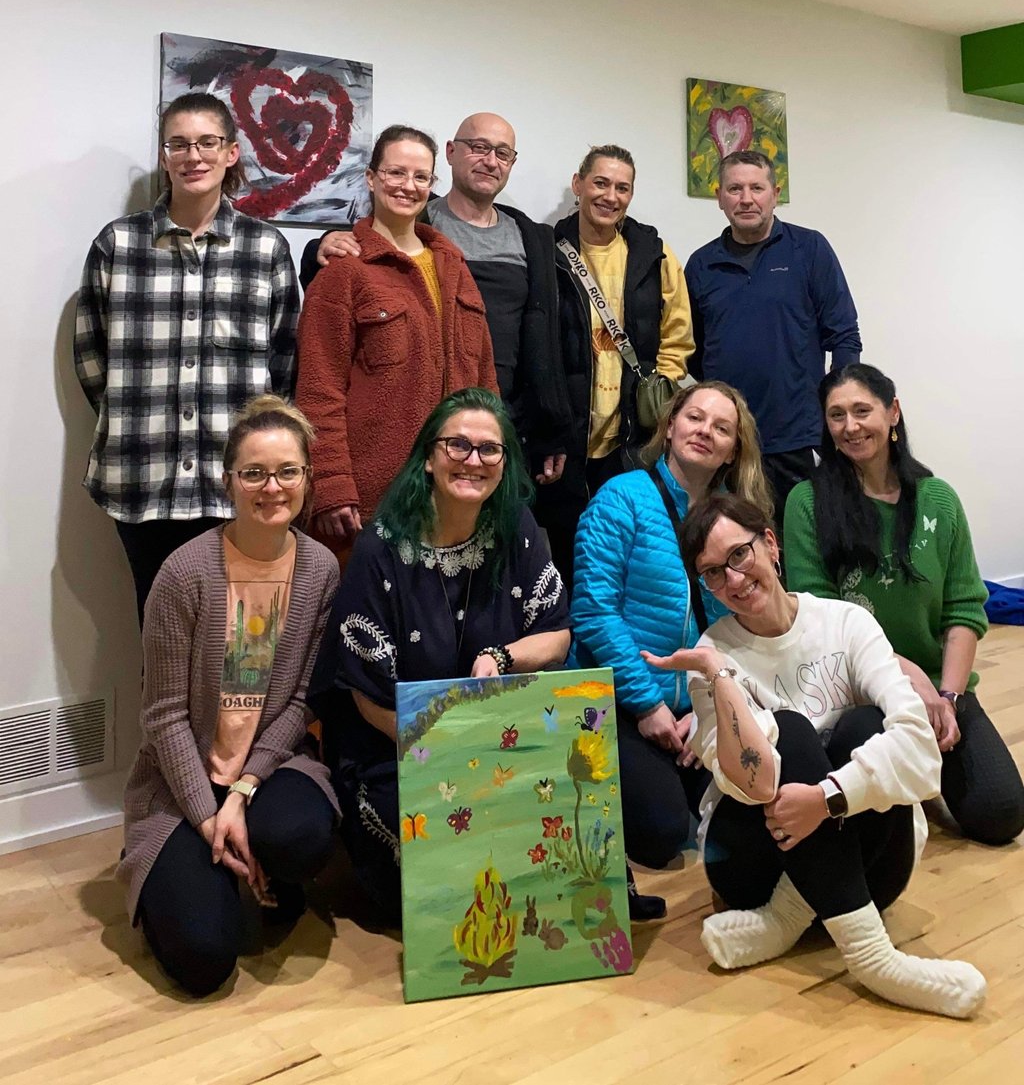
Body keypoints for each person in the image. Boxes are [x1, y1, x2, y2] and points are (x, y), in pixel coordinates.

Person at [643, 492, 987, 1018]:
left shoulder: (845, 622)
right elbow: (755, 784)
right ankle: (872, 957)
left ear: (771, 544)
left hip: (876, 865)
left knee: (866, 725)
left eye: (739, 555)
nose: (733, 579)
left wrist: (827, 799)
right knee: (791, 733)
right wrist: (720, 675)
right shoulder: (711, 654)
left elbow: (919, 747)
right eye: (712, 573)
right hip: (752, 868)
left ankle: (787, 919)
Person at [307, 388, 570, 925]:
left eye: (489, 449)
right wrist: (453, 754)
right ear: (429, 457)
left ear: (504, 463)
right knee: (430, 890)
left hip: (497, 738)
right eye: (458, 445)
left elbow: (557, 635)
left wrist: (501, 656)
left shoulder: (518, 528)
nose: (473, 460)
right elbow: (367, 698)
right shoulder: (380, 549)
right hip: (398, 746)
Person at [116, 396, 340, 997]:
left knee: (301, 838)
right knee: (203, 961)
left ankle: (266, 863)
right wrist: (210, 815)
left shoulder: (321, 569)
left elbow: (302, 701)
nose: (272, 487)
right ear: (228, 481)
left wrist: (243, 791)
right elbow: (163, 716)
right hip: (183, 778)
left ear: (307, 478)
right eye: (254, 473)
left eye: (287, 471)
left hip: (270, 767)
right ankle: (199, 867)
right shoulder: (183, 572)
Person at [75, 92, 300, 625]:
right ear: (164, 155)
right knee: (162, 638)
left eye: (206, 142)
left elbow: (285, 363)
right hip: (141, 476)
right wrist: (133, 417)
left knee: (240, 642)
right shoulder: (118, 245)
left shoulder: (266, 249)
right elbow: (91, 357)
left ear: (231, 152)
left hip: (238, 486)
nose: (192, 156)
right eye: (178, 144)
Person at [784, 363, 1024, 845]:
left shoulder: (938, 499)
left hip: (939, 689)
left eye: (862, 410)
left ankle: (921, 768)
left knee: (1001, 814)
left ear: (893, 412)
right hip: (859, 693)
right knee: (878, 821)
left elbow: (964, 608)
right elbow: (825, 622)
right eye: (836, 415)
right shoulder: (806, 503)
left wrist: (949, 698)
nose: (850, 426)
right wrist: (911, 684)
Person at [571, 382, 772, 908]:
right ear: (670, 425)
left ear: (734, 450)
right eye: (695, 417)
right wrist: (647, 704)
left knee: (743, 806)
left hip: (696, 706)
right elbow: (593, 610)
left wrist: (706, 711)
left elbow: (744, 625)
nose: (705, 431)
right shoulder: (622, 497)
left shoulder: (737, 520)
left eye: (721, 427)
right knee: (663, 834)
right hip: (621, 698)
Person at [305, 112, 572, 486]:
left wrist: (551, 427)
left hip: (490, 433)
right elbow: (325, 367)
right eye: (478, 147)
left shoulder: (527, 239)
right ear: (451, 152)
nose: (490, 161)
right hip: (396, 446)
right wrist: (321, 245)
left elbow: (546, 341)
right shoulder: (414, 222)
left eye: (502, 153)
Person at [295, 125, 498, 555]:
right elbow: (318, 390)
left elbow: (485, 380)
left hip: (455, 490)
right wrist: (331, 483)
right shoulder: (343, 272)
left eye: (421, 176)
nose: (408, 186)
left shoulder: (454, 268)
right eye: (396, 173)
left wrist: (494, 462)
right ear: (371, 178)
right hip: (372, 499)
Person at [539, 144, 695, 592]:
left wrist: (658, 389)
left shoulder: (653, 253)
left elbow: (678, 331)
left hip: (630, 436)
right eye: (601, 183)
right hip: (567, 437)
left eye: (622, 188)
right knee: (568, 556)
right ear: (578, 185)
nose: (610, 196)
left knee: (630, 551)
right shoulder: (546, 250)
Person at [684, 150, 861, 520]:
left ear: (775, 194)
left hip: (798, 437)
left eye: (756, 188)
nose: (746, 199)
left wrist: (838, 409)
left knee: (802, 541)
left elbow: (844, 336)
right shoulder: (701, 264)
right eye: (735, 189)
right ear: (719, 197)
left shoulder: (809, 249)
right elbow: (692, 349)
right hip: (727, 441)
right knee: (734, 541)